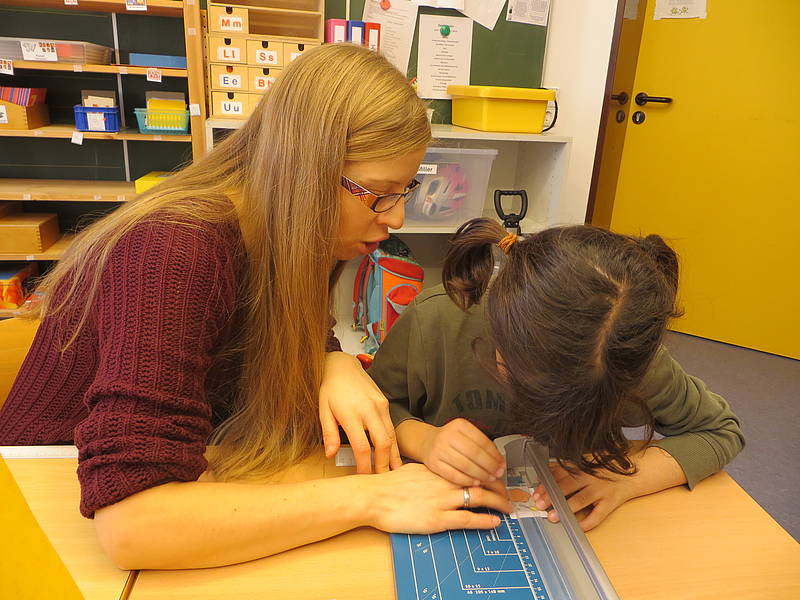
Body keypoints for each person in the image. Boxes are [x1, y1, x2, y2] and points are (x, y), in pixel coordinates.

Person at [0, 45, 512, 569]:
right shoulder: (173, 250)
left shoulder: (289, 239)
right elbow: (132, 522)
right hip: (38, 507)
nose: (397, 217)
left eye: (406, 189)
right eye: (380, 193)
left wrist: (338, 366)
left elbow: (287, 341)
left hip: (195, 472)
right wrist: (371, 499)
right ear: (306, 172)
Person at [369, 217, 744, 531]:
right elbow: (369, 411)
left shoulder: (630, 358)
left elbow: (720, 431)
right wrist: (422, 438)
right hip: (435, 506)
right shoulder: (436, 319)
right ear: (501, 333)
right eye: (529, 384)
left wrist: (625, 478)